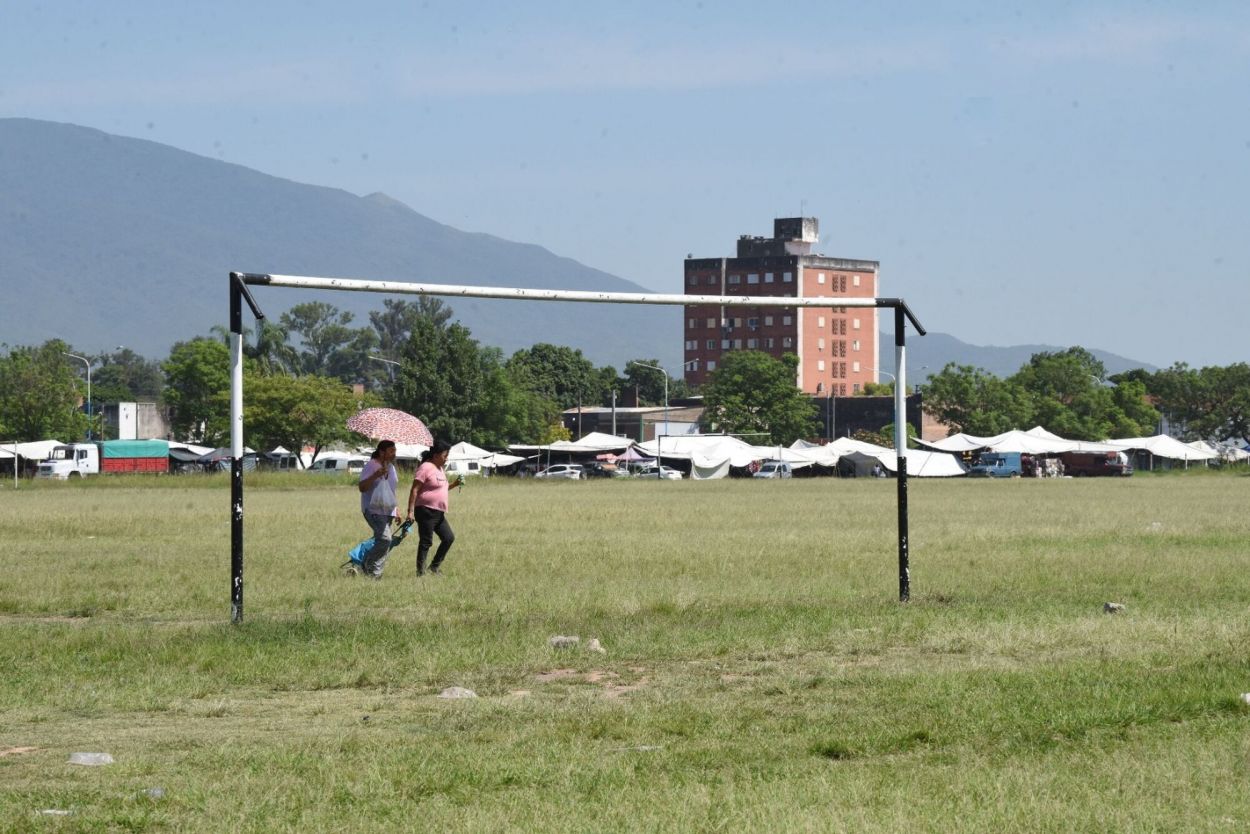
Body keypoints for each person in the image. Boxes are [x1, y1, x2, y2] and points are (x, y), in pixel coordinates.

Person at [405, 439, 463, 576]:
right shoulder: (425, 468)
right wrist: (410, 512)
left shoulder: (440, 469)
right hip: (425, 510)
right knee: (426, 542)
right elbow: (414, 490)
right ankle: (421, 573)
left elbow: (441, 489)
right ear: (436, 455)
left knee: (448, 538)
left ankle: (434, 567)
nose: (446, 459)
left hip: (438, 512)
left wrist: (454, 484)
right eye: (445, 455)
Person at [357, 440, 399, 578]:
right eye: (391, 451)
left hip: (388, 511)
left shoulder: (391, 467)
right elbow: (362, 488)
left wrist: (396, 510)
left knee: (384, 542)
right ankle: (366, 562)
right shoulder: (371, 465)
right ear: (382, 452)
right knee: (385, 539)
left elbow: (392, 490)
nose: (394, 454)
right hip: (373, 510)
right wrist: (376, 475)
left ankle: (375, 574)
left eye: (395, 451)